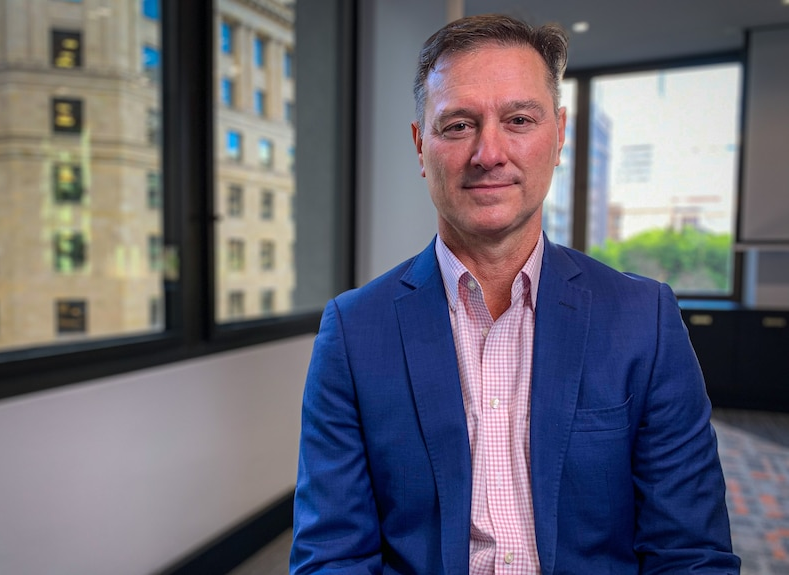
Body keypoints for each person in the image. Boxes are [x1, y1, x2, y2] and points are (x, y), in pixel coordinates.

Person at [290, 13, 740, 575]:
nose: (489, 153)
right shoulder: (354, 331)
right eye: (458, 125)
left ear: (559, 135)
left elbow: (690, 553)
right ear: (420, 146)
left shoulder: (642, 319)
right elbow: (332, 556)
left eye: (519, 120)